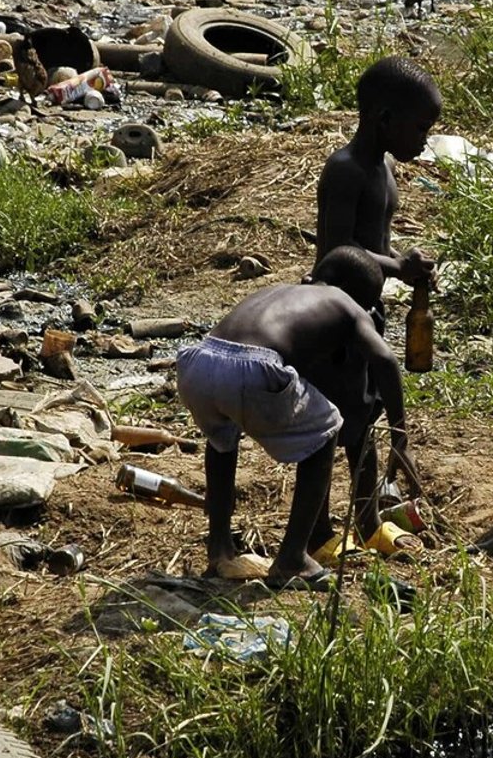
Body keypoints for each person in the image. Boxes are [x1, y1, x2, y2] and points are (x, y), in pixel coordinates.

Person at [175, 247, 418, 588]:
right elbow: (385, 361)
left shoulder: (282, 292)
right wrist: (400, 439)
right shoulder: (346, 304)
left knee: (222, 441)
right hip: (251, 364)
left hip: (198, 362)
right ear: (359, 295)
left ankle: (219, 548)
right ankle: (292, 559)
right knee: (327, 430)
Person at [316, 56, 441, 292]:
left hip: (366, 298)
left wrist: (406, 265)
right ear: (385, 119)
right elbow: (338, 248)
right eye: (421, 129)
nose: (425, 141)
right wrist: (399, 266)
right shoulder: (346, 170)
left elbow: (372, 242)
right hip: (332, 298)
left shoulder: (386, 166)